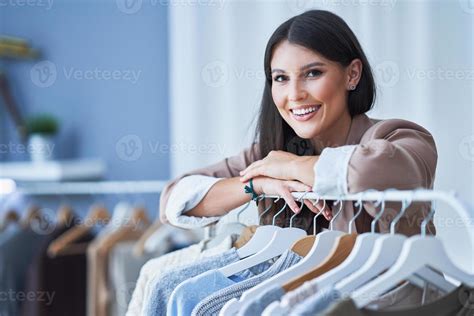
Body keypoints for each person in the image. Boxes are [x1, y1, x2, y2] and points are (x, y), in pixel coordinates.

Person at [159, 10, 437, 236]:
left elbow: (368, 172)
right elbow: (175, 199)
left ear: (352, 74)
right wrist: (258, 186)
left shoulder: (402, 137)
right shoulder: (269, 157)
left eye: (313, 73)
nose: (294, 94)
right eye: (280, 78)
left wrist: (289, 167)